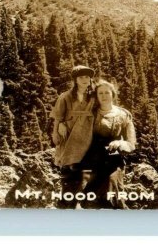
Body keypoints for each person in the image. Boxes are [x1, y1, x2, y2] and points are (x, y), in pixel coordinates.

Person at [81, 80, 136, 209]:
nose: (104, 96)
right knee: (84, 193)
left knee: (111, 186)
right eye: (100, 93)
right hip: (91, 159)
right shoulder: (90, 114)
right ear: (96, 96)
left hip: (113, 160)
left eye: (107, 92)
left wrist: (120, 143)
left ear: (113, 94)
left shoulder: (124, 115)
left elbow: (131, 143)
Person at [50, 65, 96, 208]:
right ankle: (67, 202)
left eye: (87, 77)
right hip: (70, 134)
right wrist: (57, 129)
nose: (85, 80)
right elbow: (57, 117)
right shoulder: (65, 96)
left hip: (88, 134)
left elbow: (107, 106)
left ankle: (82, 202)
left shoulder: (94, 96)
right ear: (75, 80)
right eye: (81, 77)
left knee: (85, 168)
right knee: (69, 167)